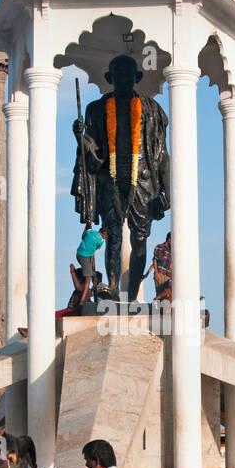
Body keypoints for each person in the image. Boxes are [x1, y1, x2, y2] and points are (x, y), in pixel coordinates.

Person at [71, 54, 172, 299]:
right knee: (113, 234)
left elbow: (161, 154)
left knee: (139, 239)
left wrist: (168, 190)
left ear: (137, 77)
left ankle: (132, 293)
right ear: (110, 78)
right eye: (118, 76)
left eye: (129, 76)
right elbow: (94, 155)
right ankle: (113, 288)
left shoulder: (152, 110)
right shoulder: (97, 109)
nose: (124, 80)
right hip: (111, 179)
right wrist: (80, 138)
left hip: (144, 180)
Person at [76, 222, 105, 290]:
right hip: (85, 256)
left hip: (79, 253)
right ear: (105, 234)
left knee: (88, 273)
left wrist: (88, 224)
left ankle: (87, 291)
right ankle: (84, 295)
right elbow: (98, 247)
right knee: (88, 277)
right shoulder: (101, 240)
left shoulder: (90, 231)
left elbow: (83, 235)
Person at [152, 230, 172, 302]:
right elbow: (155, 260)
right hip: (160, 273)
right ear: (169, 239)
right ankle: (159, 311)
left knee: (167, 295)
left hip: (169, 276)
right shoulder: (159, 247)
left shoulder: (173, 250)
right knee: (160, 294)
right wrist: (156, 273)